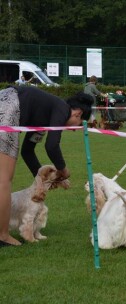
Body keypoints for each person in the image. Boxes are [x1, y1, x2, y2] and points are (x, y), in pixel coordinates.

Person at [0, 86, 93, 247]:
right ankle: (2, 235)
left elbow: (28, 152)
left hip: (5, 100)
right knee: (4, 180)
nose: (74, 130)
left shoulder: (47, 115)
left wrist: (43, 180)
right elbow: (52, 146)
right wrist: (63, 170)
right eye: (78, 125)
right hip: (8, 107)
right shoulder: (62, 108)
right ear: (77, 113)